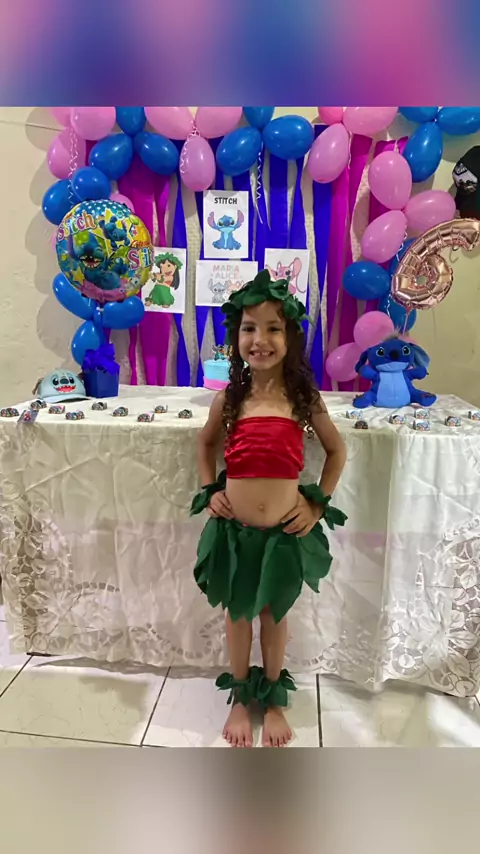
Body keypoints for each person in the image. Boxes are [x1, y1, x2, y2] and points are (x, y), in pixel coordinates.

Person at [191, 270, 347, 747]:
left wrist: (317, 505)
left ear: (290, 337)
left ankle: (274, 700)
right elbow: (204, 445)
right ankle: (241, 697)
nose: (260, 340)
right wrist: (209, 490)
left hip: (284, 535)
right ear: (235, 336)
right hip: (235, 534)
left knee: (274, 616)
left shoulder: (303, 399)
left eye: (273, 328)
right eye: (249, 328)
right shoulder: (229, 399)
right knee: (238, 615)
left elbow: (336, 451)